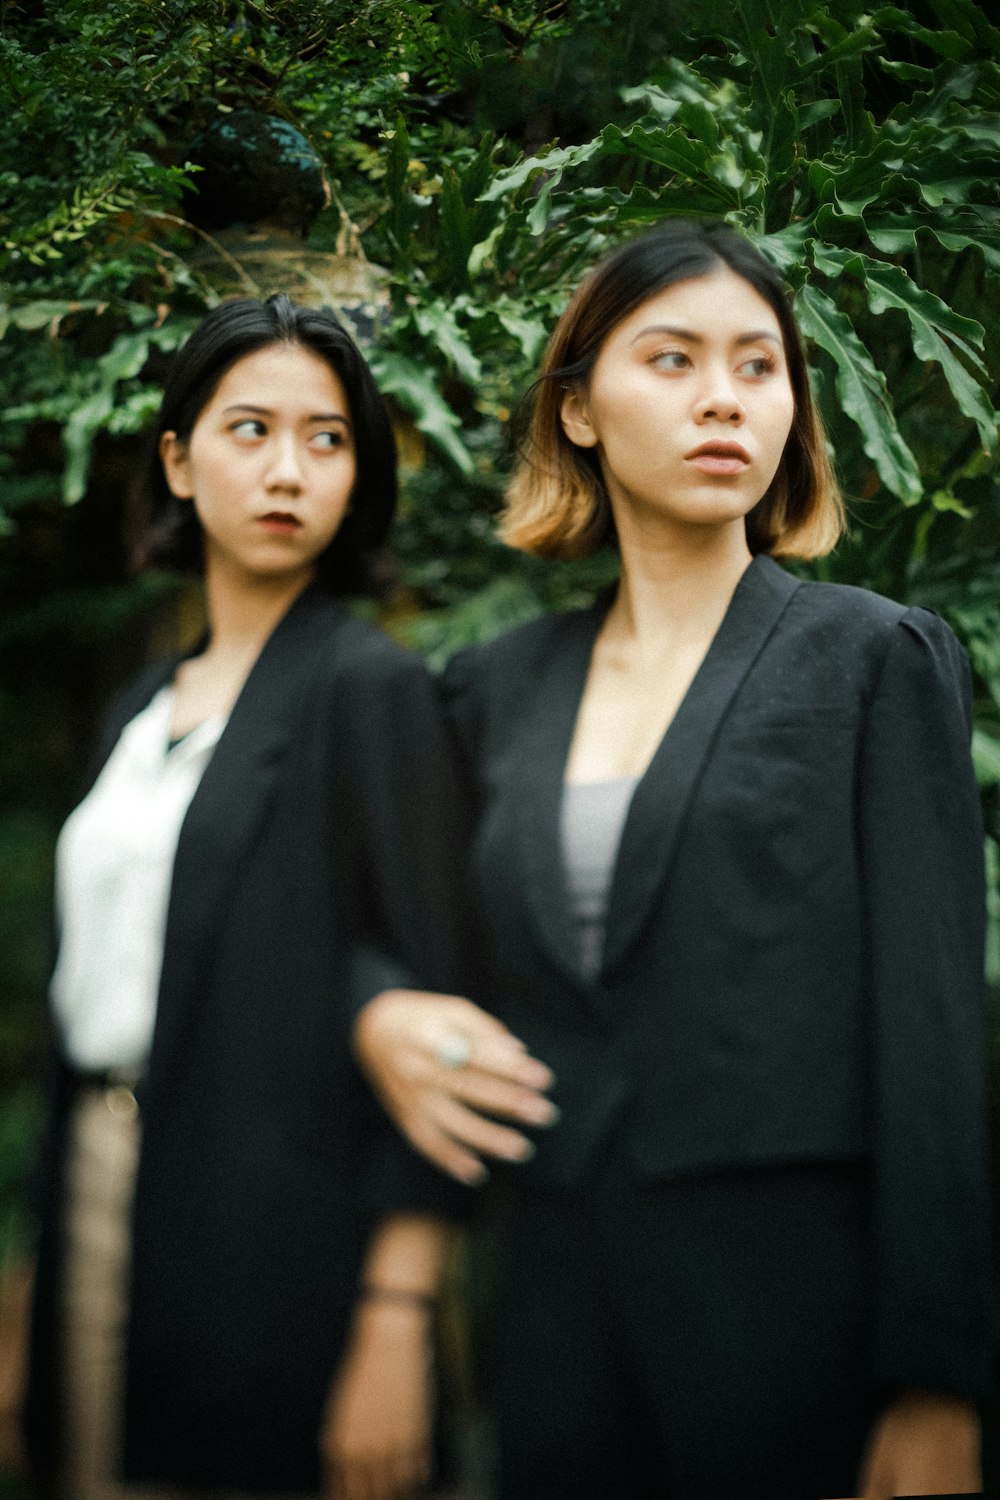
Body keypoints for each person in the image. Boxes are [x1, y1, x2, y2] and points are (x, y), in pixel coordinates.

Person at [353, 220, 993, 1500]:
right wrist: (379, 1012)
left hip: (797, 1314)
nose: (724, 399)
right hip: (548, 1304)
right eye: (674, 358)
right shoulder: (493, 688)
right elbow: (401, 935)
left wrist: (943, 1383)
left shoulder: (874, 660)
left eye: (760, 368)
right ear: (579, 409)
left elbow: (932, 1033)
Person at [4, 295, 476, 1500]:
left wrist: (394, 1319)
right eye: (250, 428)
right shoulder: (140, 708)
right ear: (178, 455)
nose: (287, 470)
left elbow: (439, 1013)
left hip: (281, 1237)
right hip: (102, 1185)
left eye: (327, 439)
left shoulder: (369, 687)